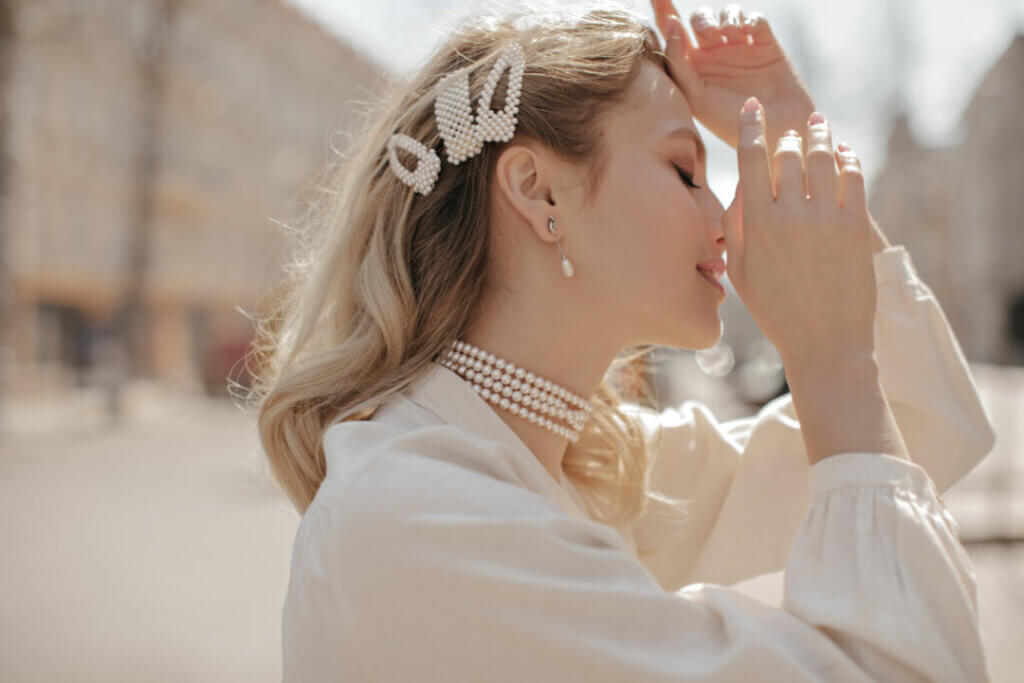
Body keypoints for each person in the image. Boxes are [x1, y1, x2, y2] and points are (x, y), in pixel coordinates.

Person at [244, 3, 997, 680]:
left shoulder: (577, 468)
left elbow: (920, 424)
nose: (724, 219)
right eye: (686, 170)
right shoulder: (418, 517)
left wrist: (794, 132)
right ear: (538, 190)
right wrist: (830, 356)